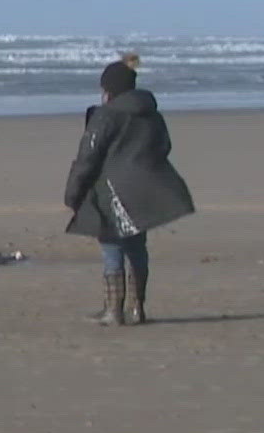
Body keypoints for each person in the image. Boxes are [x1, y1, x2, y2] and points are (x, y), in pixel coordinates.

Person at [63, 55, 195, 326]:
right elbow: (164, 147)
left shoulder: (106, 116)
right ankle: (137, 309)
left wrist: (72, 193)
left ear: (108, 90)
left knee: (111, 247)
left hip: (111, 190)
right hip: (143, 189)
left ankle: (113, 311)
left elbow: (88, 157)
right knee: (137, 247)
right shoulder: (151, 114)